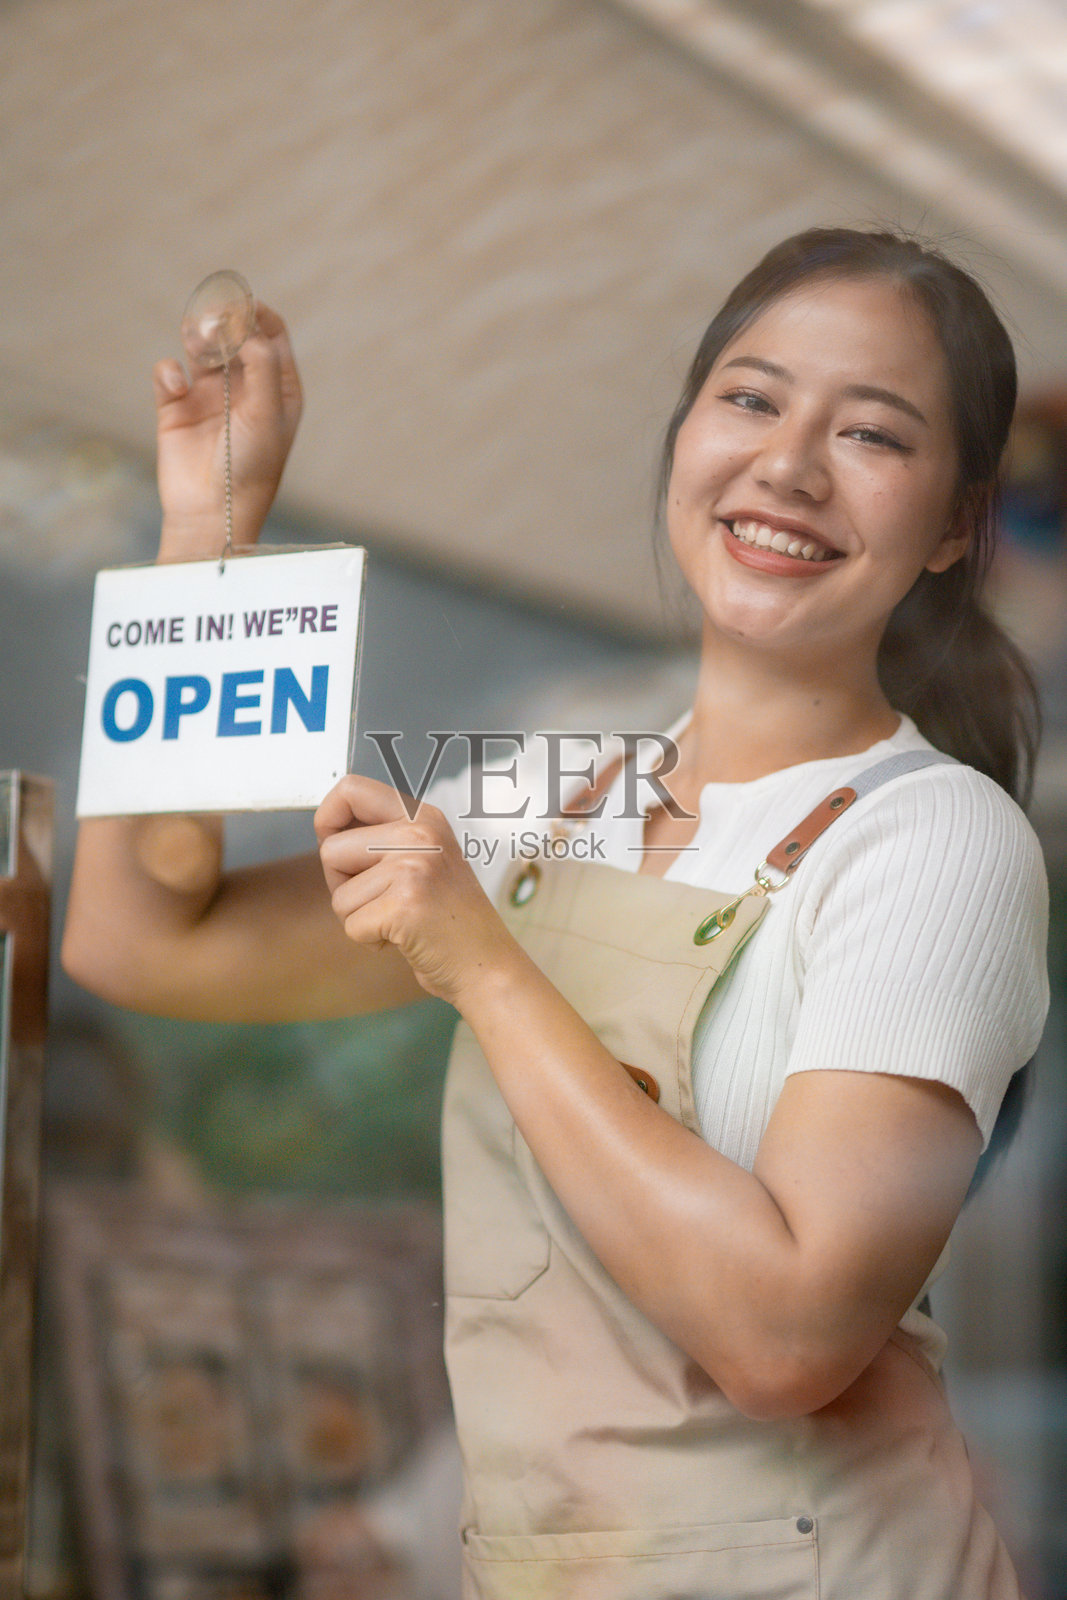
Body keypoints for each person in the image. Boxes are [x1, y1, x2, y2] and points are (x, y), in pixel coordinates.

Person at [63, 228, 1049, 1599]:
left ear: (954, 524)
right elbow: (140, 939)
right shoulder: (550, 792)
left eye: (873, 434)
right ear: (684, 436)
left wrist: (485, 964)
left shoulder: (934, 835)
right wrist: (211, 531)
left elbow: (786, 1341)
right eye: (752, 399)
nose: (789, 465)